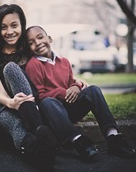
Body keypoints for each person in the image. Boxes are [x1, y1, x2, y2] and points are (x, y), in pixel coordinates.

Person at [24, 25, 135, 159]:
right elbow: (39, 96)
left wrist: (76, 86)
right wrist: (60, 92)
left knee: (93, 90)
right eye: (31, 43)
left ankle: (113, 137)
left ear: (49, 39)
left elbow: (71, 83)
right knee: (48, 102)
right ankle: (78, 140)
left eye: (40, 37)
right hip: (52, 115)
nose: (37, 43)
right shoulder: (33, 64)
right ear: (28, 48)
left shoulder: (64, 61)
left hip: (70, 109)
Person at [0, 4, 57, 172]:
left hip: (30, 104)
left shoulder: (29, 48)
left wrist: (76, 81)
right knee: (15, 124)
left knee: (12, 69)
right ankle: (39, 146)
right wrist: (12, 103)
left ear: (22, 25)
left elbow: (52, 66)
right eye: (3, 27)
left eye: (14, 25)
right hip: (1, 104)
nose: (9, 32)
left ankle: (39, 146)